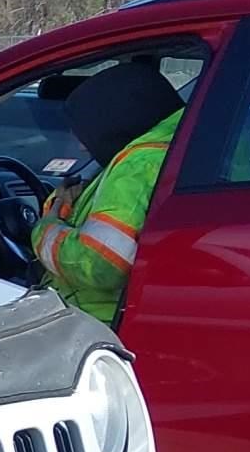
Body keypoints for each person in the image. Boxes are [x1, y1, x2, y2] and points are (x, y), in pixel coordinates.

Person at [29, 60, 186, 325]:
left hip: (96, 324)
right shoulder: (186, 142)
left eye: (86, 133)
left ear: (114, 122)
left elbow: (100, 264)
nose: (81, 147)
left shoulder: (139, 164)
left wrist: (44, 230)